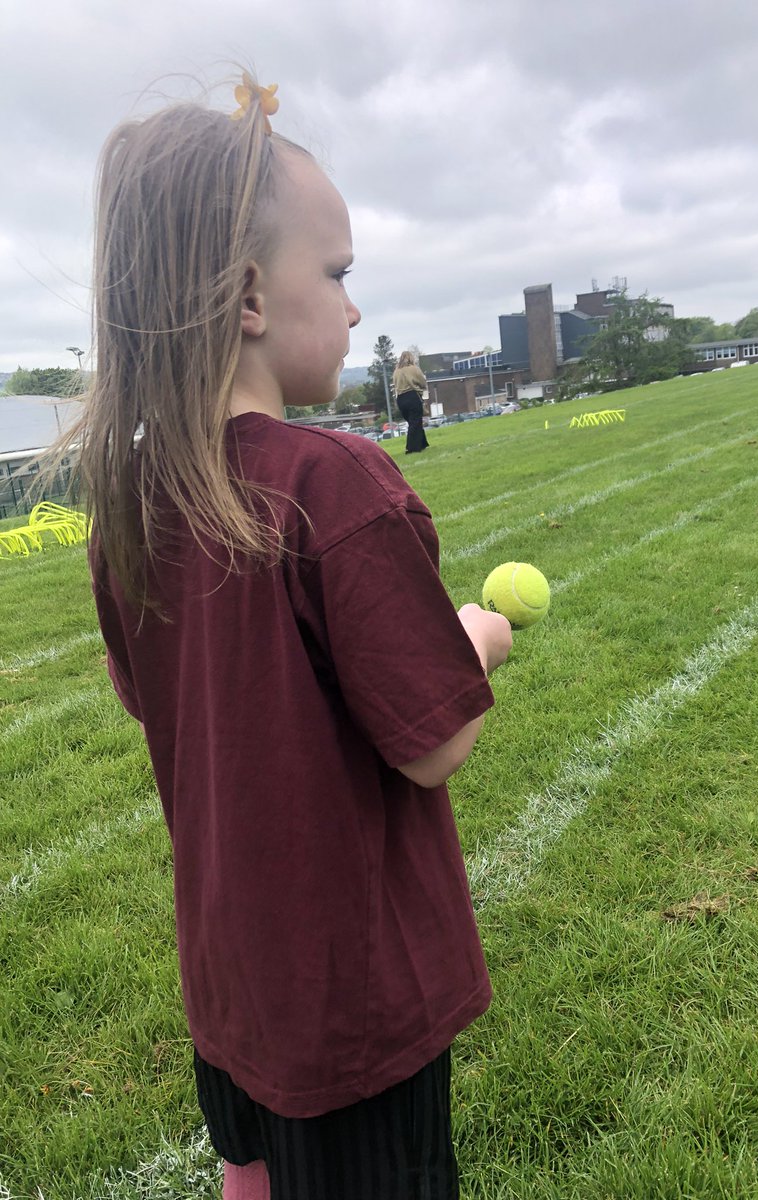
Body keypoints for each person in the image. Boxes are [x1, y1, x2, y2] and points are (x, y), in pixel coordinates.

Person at [74, 73, 512, 1200]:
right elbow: (431, 743)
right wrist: (475, 634)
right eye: (341, 272)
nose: (358, 308)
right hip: (356, 1004)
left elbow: (158, 697)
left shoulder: (131, 507)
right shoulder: (337, 482)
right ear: (253, 297)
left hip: (233, 987)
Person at [392, 350, 430, 453]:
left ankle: (422, 443)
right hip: (412, 396)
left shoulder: (396, 372)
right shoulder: (414, 369)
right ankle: (411, 447)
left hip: (400, 399)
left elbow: (395, 386)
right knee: (415, 422)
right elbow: (423, 382)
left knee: (413, 422)